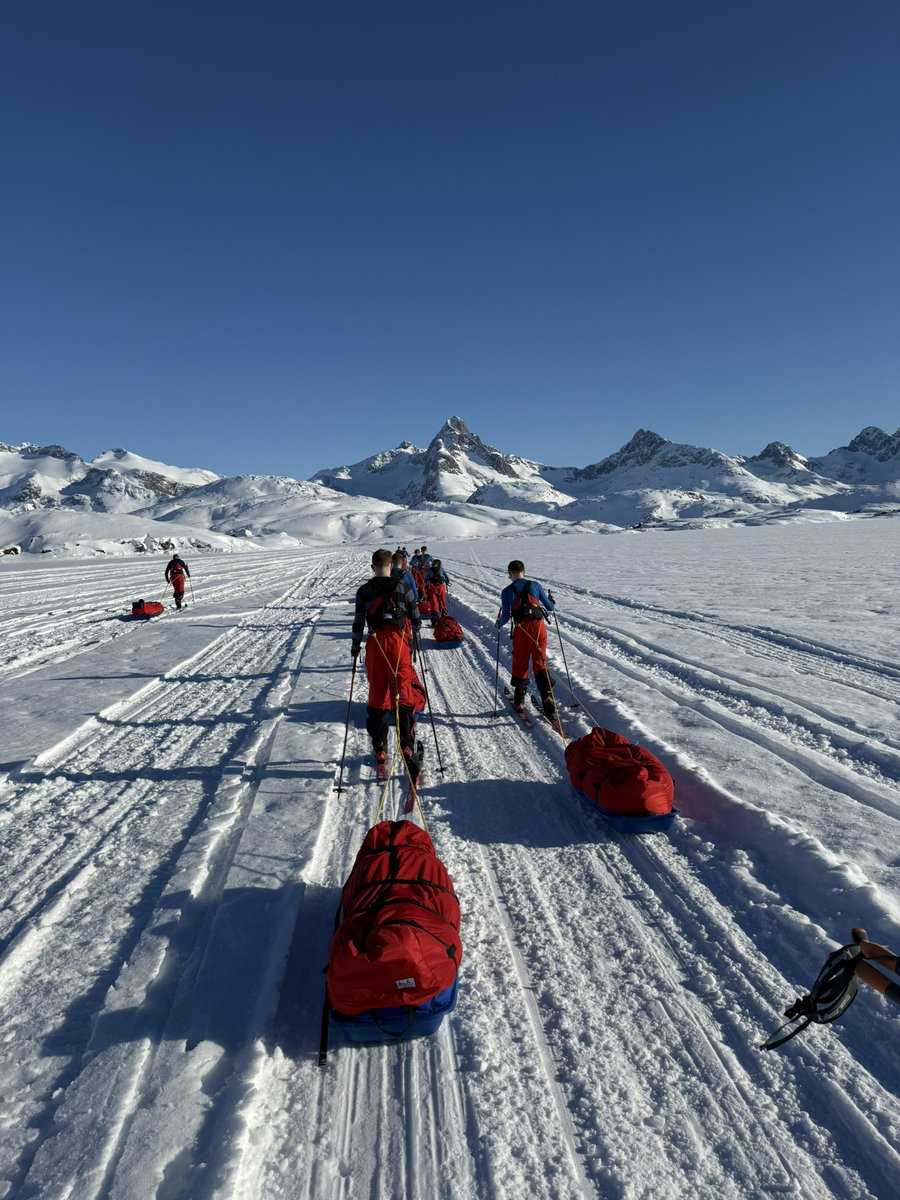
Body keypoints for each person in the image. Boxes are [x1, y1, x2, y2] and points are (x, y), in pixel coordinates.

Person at [352, 549, 423, 777]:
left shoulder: (363, 591)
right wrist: (415, 633)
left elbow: (358, 623)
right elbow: (415, 616)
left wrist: (355, 648)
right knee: (403, 692)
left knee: (378, 694)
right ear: (391, 565)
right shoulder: (402, 586)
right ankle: (407, 744)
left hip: (375, 644)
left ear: (372, 567)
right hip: (399, 643)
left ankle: (380, 748)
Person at [496, 560, 557, 718]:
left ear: (510, 574)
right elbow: (550, 608)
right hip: (539, 628)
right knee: (540, 661)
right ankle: (548, 698)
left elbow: (504, 618)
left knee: (521, 662)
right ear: (524, 571)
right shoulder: (535, 585)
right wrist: (551, 600)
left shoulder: (507, 591)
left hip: (522, 630)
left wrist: (498, 624)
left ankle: (520, 700)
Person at [425, 559, 450, 625]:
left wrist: (426, 586)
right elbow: (447, 578)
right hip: (441, 587)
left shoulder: (430, 570)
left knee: (434, 603)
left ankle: (435, 620)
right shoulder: (441, 569)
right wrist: (446, 581)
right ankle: (444, 617)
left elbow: (426, 579)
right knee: (442, 601)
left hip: (433, 587)